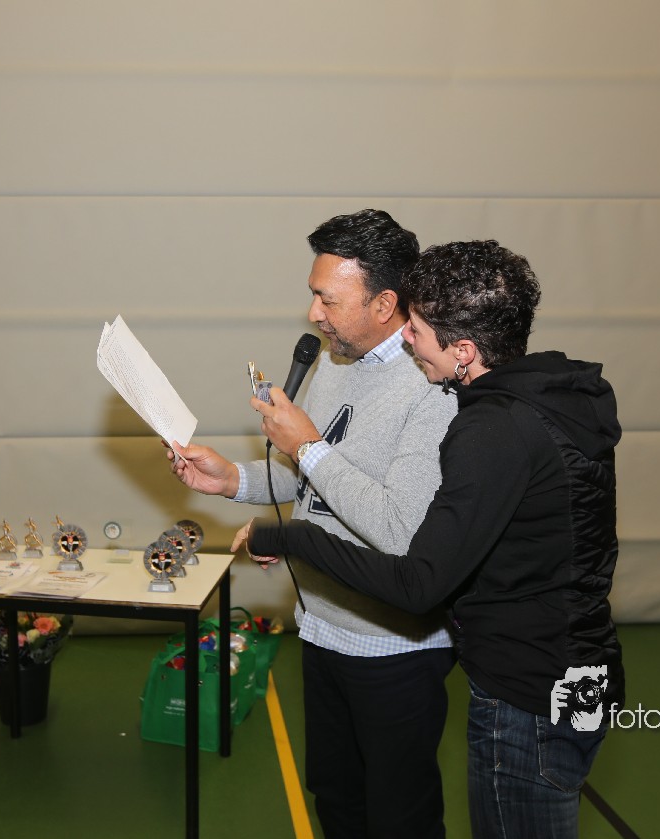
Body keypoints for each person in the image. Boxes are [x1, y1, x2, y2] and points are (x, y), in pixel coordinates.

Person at [236, 240, 625, 839]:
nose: (408, 342)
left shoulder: (492, 429)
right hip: (576, 669)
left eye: (416, 330)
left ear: (463, 350)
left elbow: (418, 583)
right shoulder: (546, 398)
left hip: (528, 688)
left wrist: (295, 539)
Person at [167, 209, 459, 838]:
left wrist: (306, 445)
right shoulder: (336, 360)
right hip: (323, 626)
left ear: (385, 304)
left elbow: (400, 530)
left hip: (393, 648)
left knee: (399, 816)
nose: (313, 314)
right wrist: (231, 480)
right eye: (313, 294)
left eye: (328, 299)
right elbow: (315, 483)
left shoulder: (432, 386)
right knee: (336, 799)